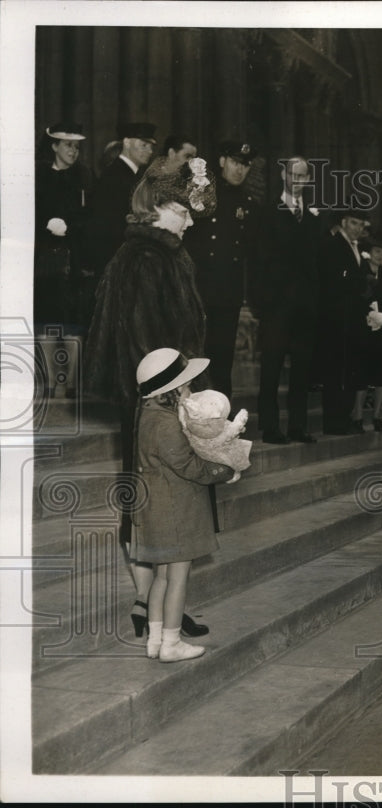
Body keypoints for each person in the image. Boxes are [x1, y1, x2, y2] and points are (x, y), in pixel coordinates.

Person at [85, 154, 216, 639]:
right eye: (182, 212)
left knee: (159, 502)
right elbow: (143, 340)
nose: (190, 220)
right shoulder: (144, 257)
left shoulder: (165, 253)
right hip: (153, 399)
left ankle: (153, 605)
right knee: (152, 503)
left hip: (166, 391)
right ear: (156, 207)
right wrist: (175, 393)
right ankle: (149, 603)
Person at [133, 348, 236, 661]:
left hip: (158, 510)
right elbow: (190, 466)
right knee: (178, 577)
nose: (190, 390)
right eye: (187, 384)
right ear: (173, 390)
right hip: (175, 512)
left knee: (161, 577)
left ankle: (155, 639)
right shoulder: (166, 425)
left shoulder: (149, 415)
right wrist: (225, 470)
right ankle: (172, 643)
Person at [254, 155, 323, 444]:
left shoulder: (314, 216)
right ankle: (270, 426)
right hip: (276, 307)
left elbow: (318, 264)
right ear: (284, 176)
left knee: (302, 369)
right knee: (271, 366)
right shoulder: (268, 213)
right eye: (293, 175)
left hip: (305, 309)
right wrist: (262, 304)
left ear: (308, 179)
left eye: (303, 176)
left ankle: (297, 425)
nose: (298, 181)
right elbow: (259, 262)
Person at [184, 140, 260, 399]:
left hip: (228, 293)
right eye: (236, 163)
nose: (240, 170)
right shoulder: (201, 191)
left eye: (245, 165)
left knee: (223, 359)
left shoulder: (249, 202)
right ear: (222, 161)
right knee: (195, 356)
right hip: (200, 289)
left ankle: (220, 419)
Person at [34, 122, 91, 398]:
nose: (73, 151)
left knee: (72, 325)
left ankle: (68, 386)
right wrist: (46, 226)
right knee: (46, 323)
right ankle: (48, 384)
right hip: (45, 261)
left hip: (74, 260)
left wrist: (73, 227)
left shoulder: (82, 177)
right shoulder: (39, 176)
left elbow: (89, 215)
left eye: (77, 147)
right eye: (68, 145)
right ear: (54, 146)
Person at [314, 209, 370, 434]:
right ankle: (334, 421)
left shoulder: (357, 247)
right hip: (337, 319)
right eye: (353, 223)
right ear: (344, 223)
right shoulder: (333, 245)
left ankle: (343, 418)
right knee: (335, 372)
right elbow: (333, 281)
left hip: (352, 319)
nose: (357, 228)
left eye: (360, 225)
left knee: (348, 371)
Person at [348, 232, 382, 432]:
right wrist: (368, 313)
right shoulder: (360, 270)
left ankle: (378, 415)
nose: (380, 256)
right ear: (369, 252)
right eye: (377, 251)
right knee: (361, 374)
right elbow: (354, 297)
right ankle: (357, 415)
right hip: (364, 328)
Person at [87, 122, 157, 279]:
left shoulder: (133, 176)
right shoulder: (114, 177)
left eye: (151, 146)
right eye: (144, 144)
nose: (150, 151)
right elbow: (106, 228)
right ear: (126, 142)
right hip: (118, 265)